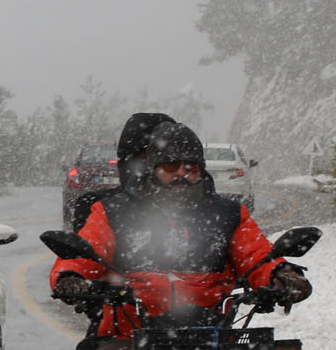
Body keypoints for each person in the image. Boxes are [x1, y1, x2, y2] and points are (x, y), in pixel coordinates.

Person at [50, 120, 311, 337]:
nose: (181, 174)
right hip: (126, 341)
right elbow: (84, 255)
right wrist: (70, 278)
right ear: (153, 169)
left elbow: (257, 256)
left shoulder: (228, 213)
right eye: (170, 167)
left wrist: (282, 275)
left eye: (190, 168)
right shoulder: (113, 211)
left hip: (213, 343)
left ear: (201, 170)